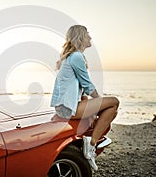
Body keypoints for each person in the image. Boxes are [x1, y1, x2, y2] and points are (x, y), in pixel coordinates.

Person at [51, 25, 119, 171]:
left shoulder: (71, 56)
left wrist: (94, 105)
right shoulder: (76, 56)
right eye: (88, 35)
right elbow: (87, 84)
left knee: (112, 110)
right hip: (68, 108)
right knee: (114, 103)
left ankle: (90, 141)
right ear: (81, 37)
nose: (90, 38)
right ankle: (91, 144)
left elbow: (79, 90)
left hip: (66, 106)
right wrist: (99, 102)